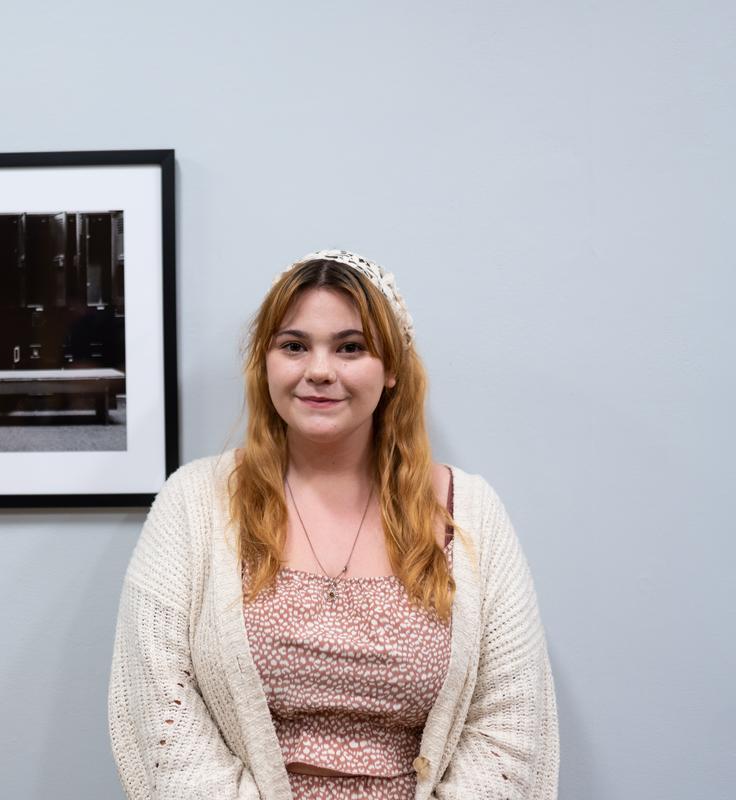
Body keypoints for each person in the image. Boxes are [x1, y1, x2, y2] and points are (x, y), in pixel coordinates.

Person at [107, 250, 558, 799]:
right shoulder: (194, 503)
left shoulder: (471, 512)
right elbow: (159, 705)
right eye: (294, 346)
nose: (319, 370)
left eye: (351, 347)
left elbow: (511, 722)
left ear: (391, 368)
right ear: (265, 362)